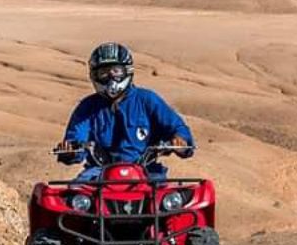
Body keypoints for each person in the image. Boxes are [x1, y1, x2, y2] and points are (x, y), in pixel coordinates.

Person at [55, 42, 194, 181]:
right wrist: (70, 151)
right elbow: (76, 138)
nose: (110, 78)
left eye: (116, 71)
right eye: (103, 73)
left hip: (146, 171)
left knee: (173, 200)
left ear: (127, 70)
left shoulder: (147, 99)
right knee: (70, 198)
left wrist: (180, 141)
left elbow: (177, 127)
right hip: (98, 173)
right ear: (94, 75)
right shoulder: (88, 107)